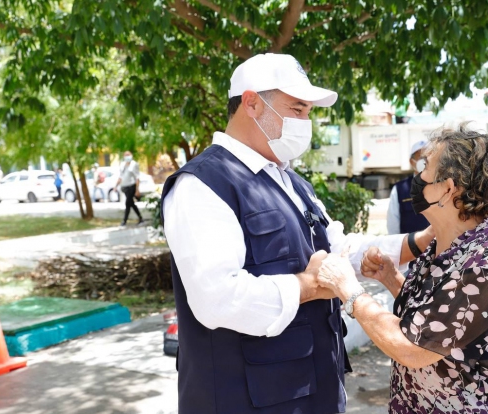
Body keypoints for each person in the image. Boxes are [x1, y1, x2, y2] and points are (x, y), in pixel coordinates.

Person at [160, 53, 433, 414]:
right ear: (252, 103)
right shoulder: (203, 185)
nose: (307, 122)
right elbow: (217, 297)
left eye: (308, 112)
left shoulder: (294, 183)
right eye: (298, 109)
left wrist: (424, 240)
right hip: (242, 399)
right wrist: (308, 285)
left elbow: (338, 249)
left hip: (312, 390)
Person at [317, 125, 488, 413]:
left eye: (427, 167)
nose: (418, 176)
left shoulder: (487, 259)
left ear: (449, 188)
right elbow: (436, 315)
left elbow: (412, 349)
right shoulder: (447, 242)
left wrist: (349, 291)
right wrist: (391, 279)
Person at [387, 140, 430, 234]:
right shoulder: (400, 189)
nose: (424, 161)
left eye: (427, 157)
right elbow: (393, 223)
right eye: (421, 157)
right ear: (412, 161)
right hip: (410, 246)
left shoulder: (440, 185)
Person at [114, 151, 143, 226]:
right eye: (125, 155)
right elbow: (120, 177)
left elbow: (137, 178)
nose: (127, 156)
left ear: (131, 155)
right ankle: (140, 218)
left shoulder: (134, 164)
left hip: (131, 186)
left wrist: (137, 189)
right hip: (124, 187)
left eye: (128, 155)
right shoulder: (122, 164)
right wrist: (115, 186)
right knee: (131, 204)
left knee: (127, 203)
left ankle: (124, 221)